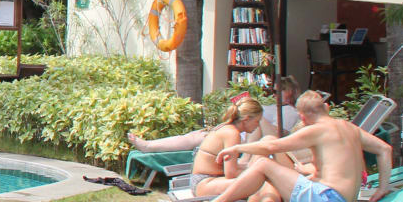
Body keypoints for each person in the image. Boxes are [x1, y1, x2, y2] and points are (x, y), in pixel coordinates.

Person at [185, 91, 393, 202]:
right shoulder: (351, 128)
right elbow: (385, 149)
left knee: (263, 165)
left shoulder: (317, 130)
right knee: (274, 170)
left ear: (302, 116)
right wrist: (382, 188)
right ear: (327, 108)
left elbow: (271, 147)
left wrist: (237, 149)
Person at [128, 76, 303, 152]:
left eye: (280, 91)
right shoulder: (272, 105)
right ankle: (149, 145)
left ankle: (149, 146)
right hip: (237, 130)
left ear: (290, 92)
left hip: (243, 138)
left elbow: (278, 135)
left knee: (198, 138)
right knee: (195, 135)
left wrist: (256, 116)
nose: (275, 94)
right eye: (274, 91)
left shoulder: (289, 111)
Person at [185, 98, 282, 202]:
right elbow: (231, 173)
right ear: (246, 119)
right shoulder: (232, 134)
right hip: (205, 183)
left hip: (203, 180)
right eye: (257, 121)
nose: (257, 126)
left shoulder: (225, 127)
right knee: (259, 184)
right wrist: (258, 173)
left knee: (262, 168)